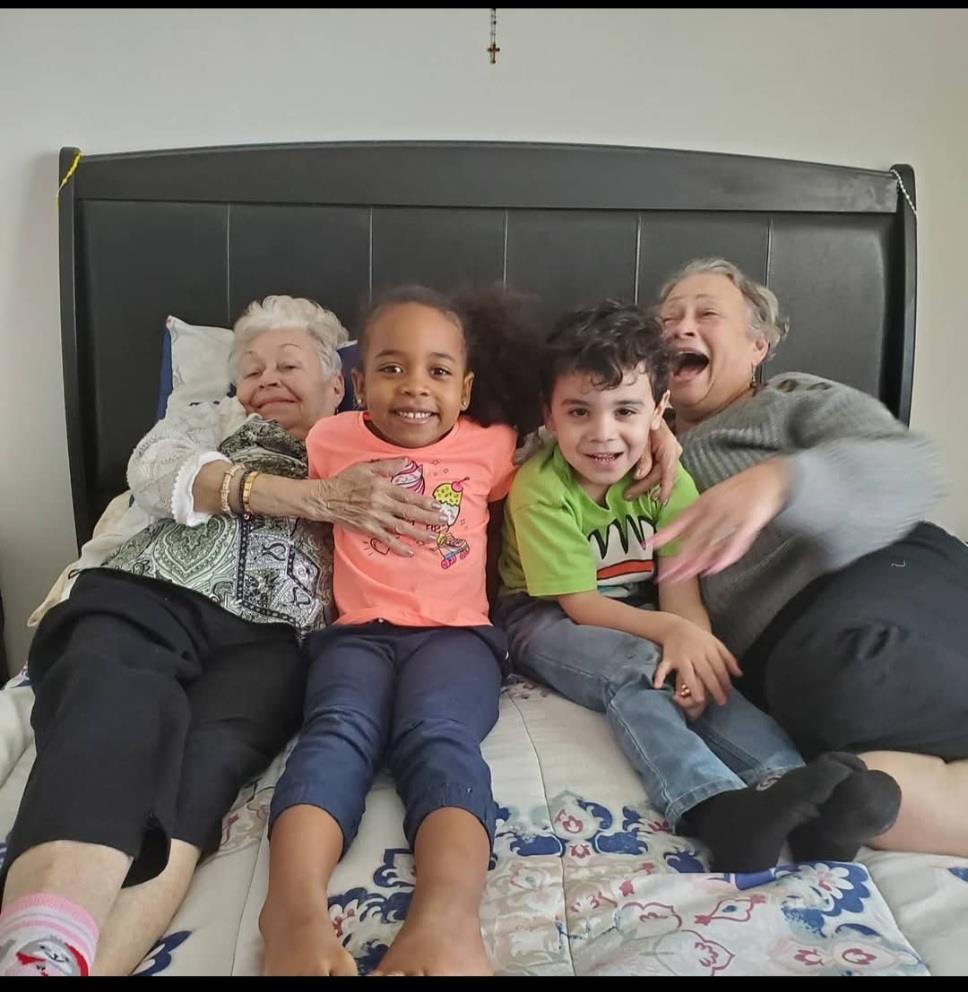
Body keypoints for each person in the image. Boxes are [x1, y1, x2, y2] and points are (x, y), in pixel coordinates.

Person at [0, 295, 451, 977]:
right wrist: (313, 499)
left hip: (275, 642)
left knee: (205, 773)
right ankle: (40, 952)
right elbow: (158, 474)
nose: (266, 378)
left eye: (288, 363)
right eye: (250, 368)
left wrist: (659, 429)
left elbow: (511, 450)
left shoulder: (379, 438)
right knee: (114, 703)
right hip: (150, 595)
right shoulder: (206, 421)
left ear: (339, 384)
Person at [494, 301, 900, 874]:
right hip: (542, 615)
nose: (602, 434)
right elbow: (579, 604)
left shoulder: (666, 478)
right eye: (579, 412)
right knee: (639, 668)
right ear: (550, 415)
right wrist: (669, 634)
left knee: (709, 672)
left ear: (659, 411)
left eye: (626, 410)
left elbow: (679, 583)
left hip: (641, 604)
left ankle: (798, 795)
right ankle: (714, 810)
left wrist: (693, 645)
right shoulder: (540, 487)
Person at [258, 284, 543, 978]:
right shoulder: (329, 441)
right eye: (390, 368)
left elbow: (575, 445)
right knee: (336, 732)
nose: (414, 387)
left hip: (457, 638)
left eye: (438, 371)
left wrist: (657, 433)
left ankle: (446, 919)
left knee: (437, 737)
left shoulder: (491, 446)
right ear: (356, 383)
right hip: (356, 636)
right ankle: (291, 911)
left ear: (466, 386)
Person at [641, 257, 968, 858]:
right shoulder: (623, 443)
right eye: (667, 319)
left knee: (854, 668)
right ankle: (861, 806)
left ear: (758, 345)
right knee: (839, 765)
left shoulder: (791, 399)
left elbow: (912, 467)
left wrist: (783, 481)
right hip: (782, 654)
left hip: (883, 569)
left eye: (706, 313)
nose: (679, 328)